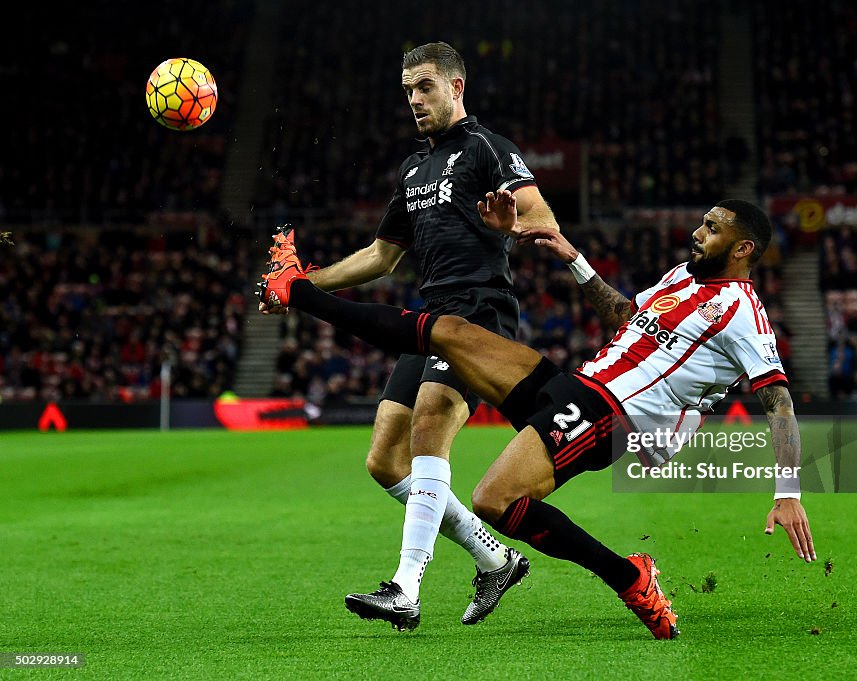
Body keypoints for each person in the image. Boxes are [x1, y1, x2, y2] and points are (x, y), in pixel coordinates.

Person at [257, 194, 816, 640]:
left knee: (491, 500)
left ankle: (630, 578)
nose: (698, 232)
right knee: (450, 333)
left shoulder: (745, 314)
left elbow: (780, 403)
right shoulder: (680, 277)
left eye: (712, 228)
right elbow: (627, 315)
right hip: (578, 385)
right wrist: (572, 258)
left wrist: (787, 490)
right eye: (701, 222)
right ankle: (300, 290)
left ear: (743, 248)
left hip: (612, 416)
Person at [261, 42, 561, 630]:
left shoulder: (488, 149)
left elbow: (544, 221)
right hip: (431, 316)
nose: (415, 100)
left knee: (428, 428)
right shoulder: (414, 168)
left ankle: (405, 587)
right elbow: (381, 256)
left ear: (456, 86)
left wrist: (513, 225)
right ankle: (492, 558)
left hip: (480, 313)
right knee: (383, 458)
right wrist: (300, 283)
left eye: (425, 87)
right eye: (407, 91)